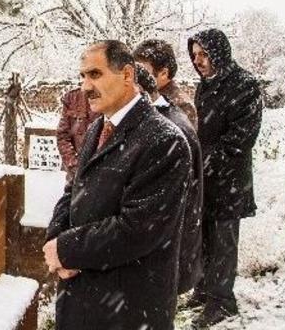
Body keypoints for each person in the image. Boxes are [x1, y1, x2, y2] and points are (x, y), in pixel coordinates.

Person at [43, 41, 190, 330]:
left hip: (128, 308)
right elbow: (73, 190)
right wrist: (56, 239)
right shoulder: (98, 128)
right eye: (82, 76)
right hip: (82, 296)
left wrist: (68, 249)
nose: (85, 86)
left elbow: (138, 228)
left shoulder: (163, 141)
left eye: (95, 75)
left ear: (126, 75)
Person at [188, 29, 263, 327]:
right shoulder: (204, 86)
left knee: (223, 240)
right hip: (206, 178)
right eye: (194, 55)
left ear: (219, 52)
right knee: (203, 236)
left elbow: (242, 137)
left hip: (230, 178)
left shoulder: (245, 85)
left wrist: (207, 160)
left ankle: (223, 301)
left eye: (204, 54)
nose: (198, 61)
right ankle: (204, 289)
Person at [135, 63, 204, 296]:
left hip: (164, 254)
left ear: (137, 91)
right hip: (160, 252)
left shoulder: (169, 130)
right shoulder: (163, 117)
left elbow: (159, 207)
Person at [133, 38, 198, 128]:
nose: (137, 76)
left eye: (143, 71)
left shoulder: (181, 105)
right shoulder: (143, 95)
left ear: (163, 73)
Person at [55, 87, 99, 182]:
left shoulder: (122, 96)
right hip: (76, 176)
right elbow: (62, 136)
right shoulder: (73, 97)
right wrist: (74, 165)